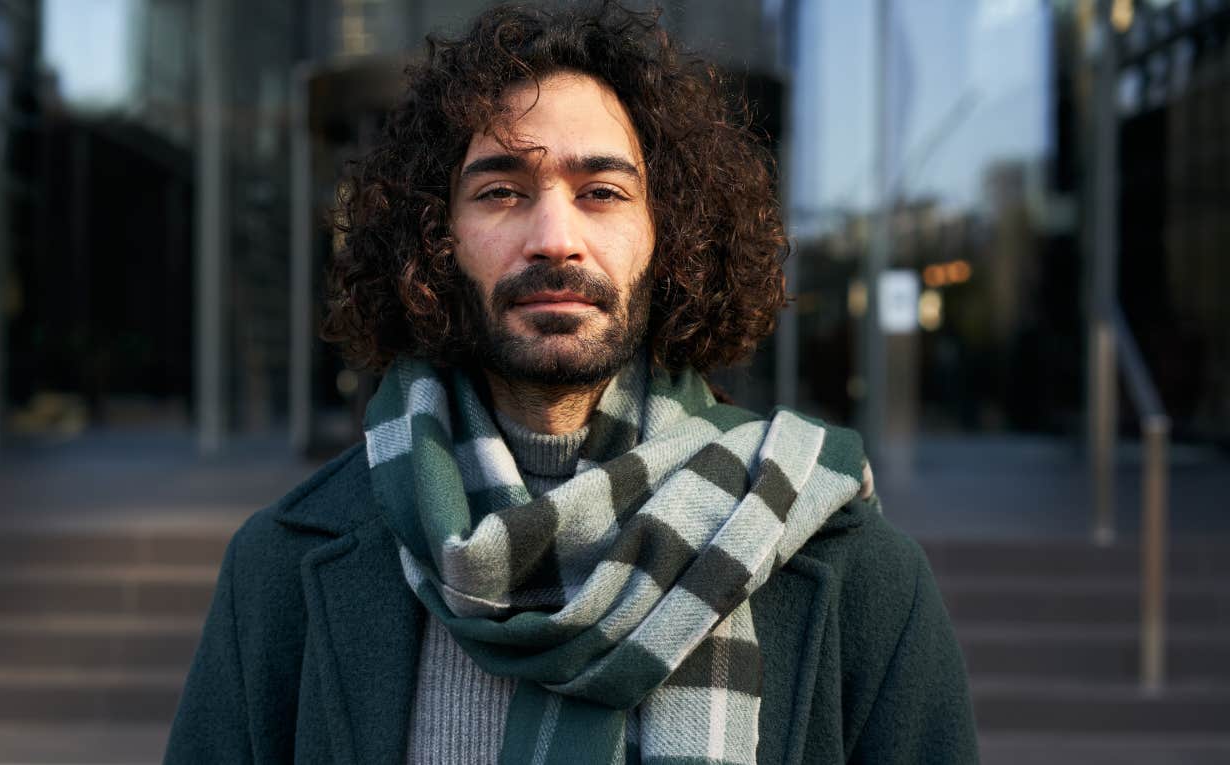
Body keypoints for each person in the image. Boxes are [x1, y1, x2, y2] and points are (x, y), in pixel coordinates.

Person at [165, 3, 978, 763]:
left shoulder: (860, 575)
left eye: (602, 193)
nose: (555, 238)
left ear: (672, 236)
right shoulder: (276, 571)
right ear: (434, 241)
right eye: (500, 192)